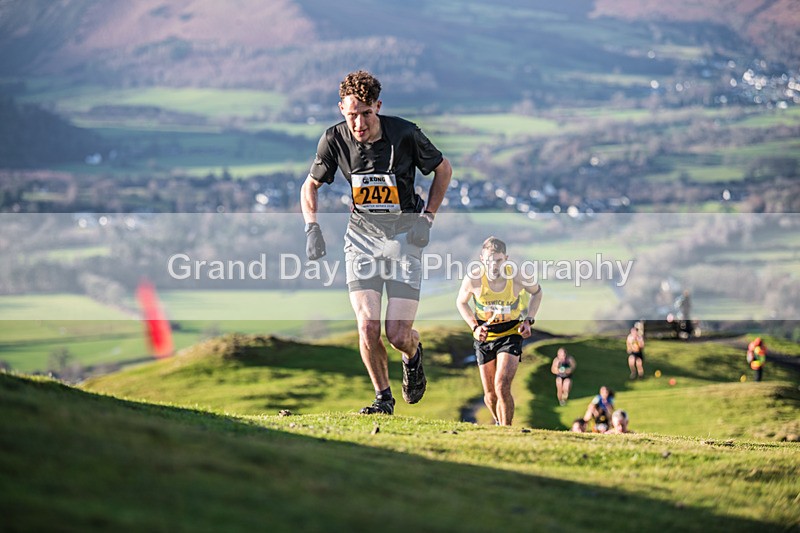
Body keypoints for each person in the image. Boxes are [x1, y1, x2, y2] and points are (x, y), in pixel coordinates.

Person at [300, 70, 453, 415]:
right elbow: (309, 185)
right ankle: (383, 398)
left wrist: (428, 217)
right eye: (352, 114)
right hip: (361, 239)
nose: (359, 122)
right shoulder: (333, 139)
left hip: (404, 238)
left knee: (398, 334)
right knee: (367, 326)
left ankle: (413, 355)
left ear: (378, 107)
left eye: (366, 113)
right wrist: (312, 228)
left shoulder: (405, 134)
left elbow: (443, 169)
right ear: (341, 108)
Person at [456, 237, 543, 426]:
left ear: (506, 259)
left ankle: (507, 430)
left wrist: (529, 320)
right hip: (485, 335)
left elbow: (537, 292)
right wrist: (474, 327)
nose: (493, 265)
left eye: (498, 261)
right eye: (489, 260)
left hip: (511, 333)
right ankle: (498, 422)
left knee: (501, 385)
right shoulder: (474, 279)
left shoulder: (517, 276)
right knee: (490, 395)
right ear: (481, 259)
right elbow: (461, 302)